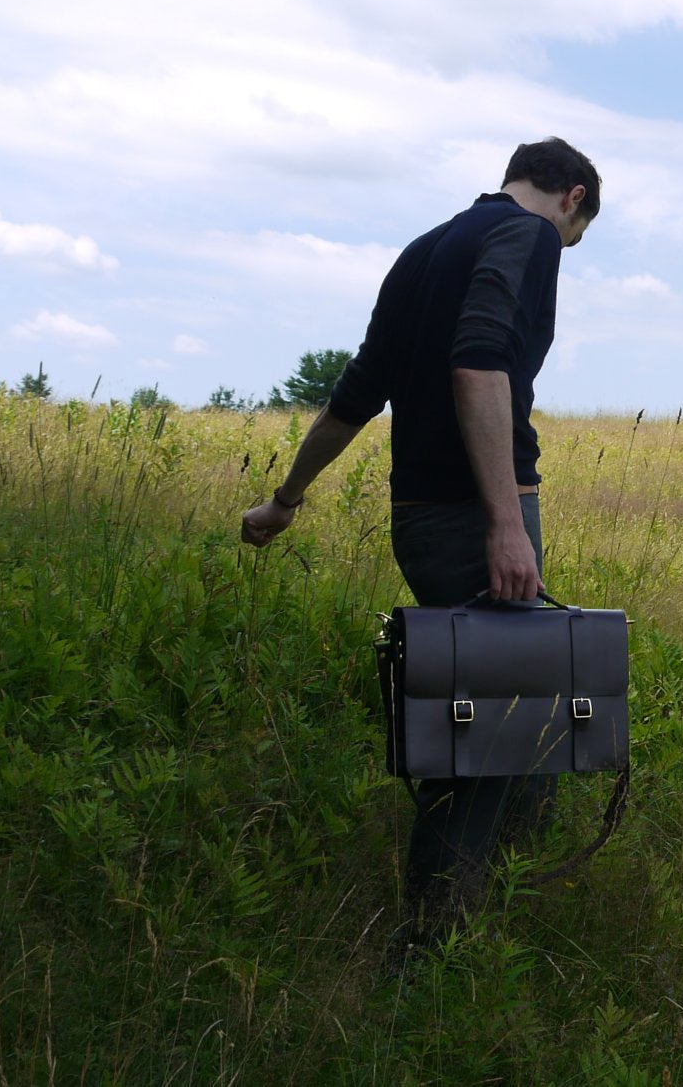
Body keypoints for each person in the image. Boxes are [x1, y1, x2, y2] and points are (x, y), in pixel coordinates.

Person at [239, 137, 600, 954]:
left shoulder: (424, 247)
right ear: (572, 198)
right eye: (579, 239)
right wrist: (505, 523)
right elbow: (479, 363)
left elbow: (358, 392)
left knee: (509, 714)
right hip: (478, 514)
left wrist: (285, 500)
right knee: (491, 738)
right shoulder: (532, 234)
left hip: (419, 520)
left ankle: (505, 895)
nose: (566, 251)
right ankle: (432, 950)